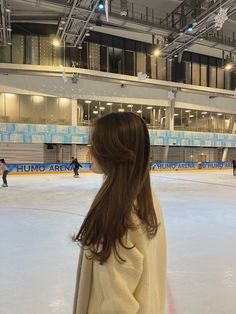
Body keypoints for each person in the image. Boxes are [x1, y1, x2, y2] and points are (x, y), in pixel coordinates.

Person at [73, 112, 167, 314]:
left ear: (112, 151)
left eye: (94, 145)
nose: (90, 151)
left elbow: (118, 305)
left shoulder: (116, 212)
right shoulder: (145, 197)